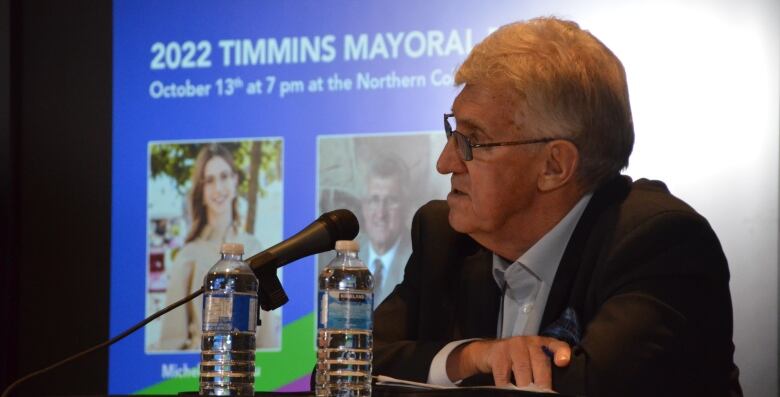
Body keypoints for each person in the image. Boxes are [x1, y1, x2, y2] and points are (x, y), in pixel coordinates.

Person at [372, 17, 742, 396]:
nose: (445, 162)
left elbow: (591, 389)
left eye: (473, 141)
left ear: (554, 166)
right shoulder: (445, 238)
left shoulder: (660, 245)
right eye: (454, 132)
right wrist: (470, 357)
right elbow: (341, 372)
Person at [157, 144, 280, 351]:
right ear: (201, 190)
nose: (218, 188)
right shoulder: (189, 255)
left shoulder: (254, 247)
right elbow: (170, 343)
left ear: (235, 180)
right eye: (209, 180)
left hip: (250, 373)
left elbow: (267, 338)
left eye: (224, 176)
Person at [359, 154, 413, 307]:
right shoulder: (345, 260)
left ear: (406, 207)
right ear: (364, 206)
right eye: (374, 200)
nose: (381, 213)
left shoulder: (420, 260)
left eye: (391, 201)